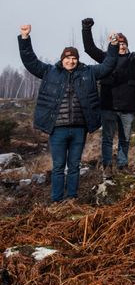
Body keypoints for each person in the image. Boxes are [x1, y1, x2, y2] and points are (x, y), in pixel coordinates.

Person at [18, 24, 119, 202]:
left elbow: (108, 65)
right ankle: (56, 199)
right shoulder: (49, 71)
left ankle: (72, 198)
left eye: (74, 58)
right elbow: (30, 61)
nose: (70, 61)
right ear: (62, 59)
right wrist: (25, 38)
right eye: (67, 58)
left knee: (74, 166)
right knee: (58, 167)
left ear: (77, 60)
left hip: (79, 129)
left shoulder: (88, 72)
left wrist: (113, 45)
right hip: (57, 129)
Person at [81, 18, 135, 177]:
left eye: (124, 43)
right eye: (119, 42)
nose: (122, 45)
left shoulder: (134, 59)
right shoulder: (106, 58)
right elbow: (89, 48)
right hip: (108, 105)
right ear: (114, 44)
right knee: (107, 139)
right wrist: (86, 28)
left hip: (128, 108)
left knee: (125, 139)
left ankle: (122, 165)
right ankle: (107, 166)